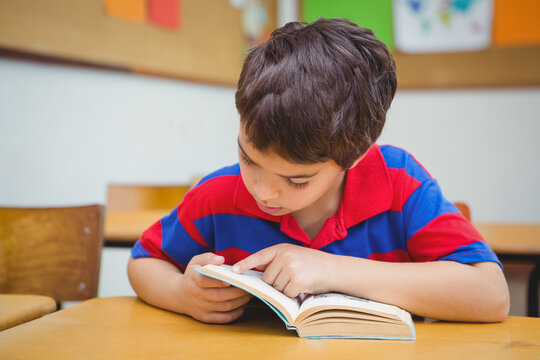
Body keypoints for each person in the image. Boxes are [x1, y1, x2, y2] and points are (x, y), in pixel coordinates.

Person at [128, 18, 509, 324]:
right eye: (248, 158)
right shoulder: (220, 193)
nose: (262, 191)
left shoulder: (398, 180)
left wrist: (331, 269)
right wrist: (181, 294)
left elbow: (491, 296)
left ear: (356, 154)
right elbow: (144, 261)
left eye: (296, 180)